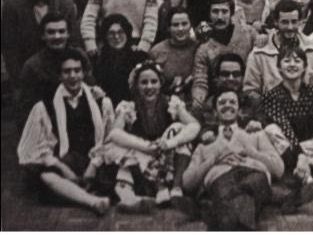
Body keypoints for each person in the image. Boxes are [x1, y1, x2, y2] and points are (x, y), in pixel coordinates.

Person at [17, 48, 114, 215]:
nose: (73, 76)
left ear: (84, 73)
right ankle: (93, 201)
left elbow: (108, 139)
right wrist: (63, 168)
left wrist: (94, 165)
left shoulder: (101, 102)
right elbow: (39, 145)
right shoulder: (45, 106)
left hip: (94, 159)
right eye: (67, 71)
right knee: (46, 177)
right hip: (65, 160)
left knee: (116, 173)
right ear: (59, 76)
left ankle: (77, 192)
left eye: (77, 70)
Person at [182, 87, 284, 230]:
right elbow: (187, 182)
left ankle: (212, 211)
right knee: (230, 190)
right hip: (221, 178)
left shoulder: (255, 134)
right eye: (222, 103)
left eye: (232, 102)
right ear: (214, 112)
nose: (227, 105)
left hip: (254, 174)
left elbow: (278, 169)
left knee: (250, 185)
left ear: (240, 110)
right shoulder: (205, 144)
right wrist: (213, 160)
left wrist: (251, 152)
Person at [105, 60, 200, 209]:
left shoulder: (171, 104)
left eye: (154, 81)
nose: (149, 87)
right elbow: (114, 133)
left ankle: (176, 188)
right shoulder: (129, 107)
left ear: (160, 83)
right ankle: (129, 195)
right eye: (144, 82)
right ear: (136, 85)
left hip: (167, 159)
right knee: (120, 144)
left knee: (178, 127)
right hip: (142, 159)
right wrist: (146, 146)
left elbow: (194, 126)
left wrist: (169, 143)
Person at [263, 47, 313, 201]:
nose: (292, 65)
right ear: (279, 68)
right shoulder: (271, 96)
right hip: (290, 151)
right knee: (271, 130)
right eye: (287, 61)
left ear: (305, 67)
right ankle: (309, 182)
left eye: (297, 61)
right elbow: (285, 129)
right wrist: (301, 156)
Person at [2, 0, 78, 95]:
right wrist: (19, 85)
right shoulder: (12, 4)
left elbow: (73, 42)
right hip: (27, 78)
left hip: (61, 77)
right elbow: (10, 49)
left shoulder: (64, 1)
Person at [243, 0, 313, 106]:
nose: (290, 27)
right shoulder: (259, 53)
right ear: (276, 22)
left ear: (300, 22)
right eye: (285, 22)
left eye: (294, 22)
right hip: (272, 112)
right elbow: (250, 90)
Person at [15, 13, 85, 131]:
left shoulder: (79, 57)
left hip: (80, 123)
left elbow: (90, 89)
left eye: (61, 31)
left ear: (68, 34)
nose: (57, 36)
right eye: (51, 32)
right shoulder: (33, 66)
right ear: (43, 36)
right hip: (49, 126)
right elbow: (26, 111)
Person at [191, 0, 258, 109]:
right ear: (209, 15)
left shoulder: (249, 34)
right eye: (215, 12)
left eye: (224, 11)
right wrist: (198, 97)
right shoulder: (204, 48)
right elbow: (200, 80)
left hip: (247, 93)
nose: (220, 17)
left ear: (231, 13)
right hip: (219, 98)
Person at [93, 14, 148, 107]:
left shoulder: (139, 58)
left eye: (121, 32)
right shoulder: (98, 61)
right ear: (105, 36)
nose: (117, 37)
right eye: (111, 33)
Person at [149, 7, 199, 98]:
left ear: (190, 25)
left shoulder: (199, 48)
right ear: (169, 28)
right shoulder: (157, 51)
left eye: (184, 24)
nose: (180, 29)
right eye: (175, 25)